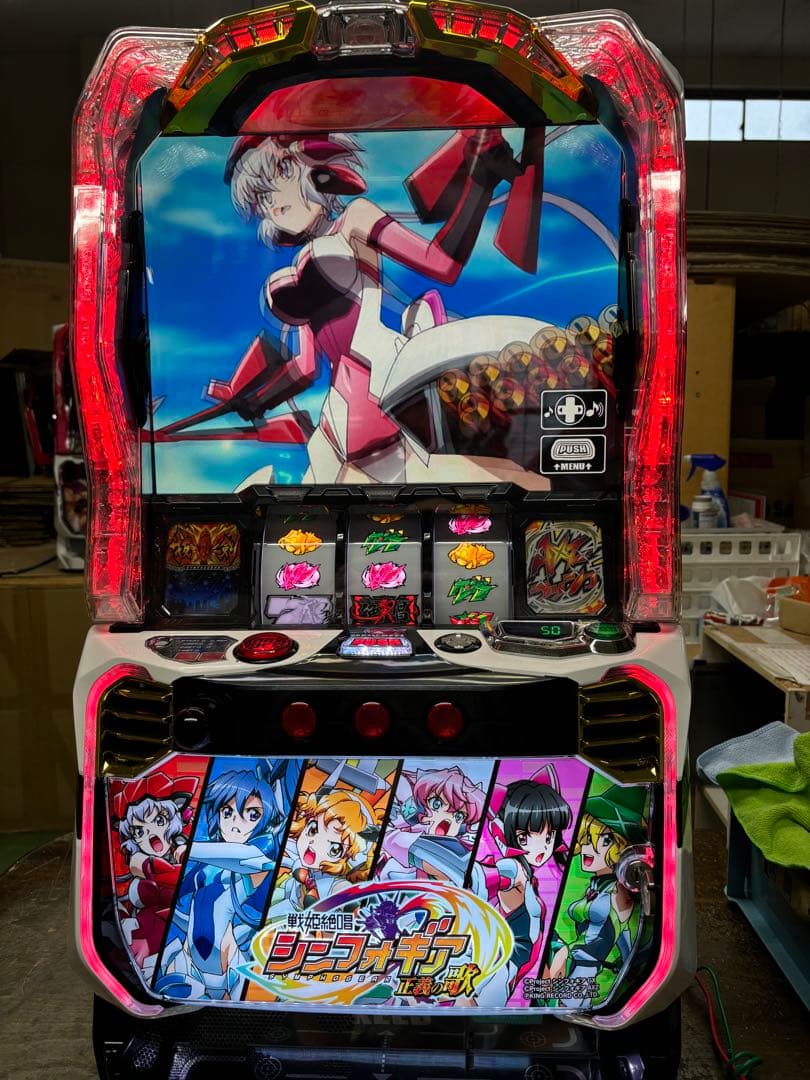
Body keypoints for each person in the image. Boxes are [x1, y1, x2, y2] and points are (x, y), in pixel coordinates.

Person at [214, 129, 549, 485]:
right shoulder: (304, 267)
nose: (275, 205)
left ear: (312, 165)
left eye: (282, 173)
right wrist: (256, 400)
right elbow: (306, 367)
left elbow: (440, 263)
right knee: (321, 496)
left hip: (379, 381)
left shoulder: (354, 221)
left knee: (418, 487)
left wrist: (480, 183)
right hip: (341, 409)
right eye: (262, 198)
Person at [156, 759, 299, 1001]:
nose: (235, 824)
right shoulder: (204, 868)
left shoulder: (258, 858)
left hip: (230, 971)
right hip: (188, 962)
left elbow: (241, 858)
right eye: (227, 812)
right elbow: (187, 908)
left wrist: (191, 849)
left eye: (252, 814)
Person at [553, 784, 648, 1008]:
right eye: (586, 838)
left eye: (604, 840)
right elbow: (623, 937)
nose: (588, 848)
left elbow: (608, 936)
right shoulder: (599, 886)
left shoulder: (618, 891)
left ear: (622, 846)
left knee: (567, 1013)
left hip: (583, 973)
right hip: (581, 971)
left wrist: (564, 951)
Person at [110, 771, 198, 980]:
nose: (151, 835)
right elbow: (138, 869)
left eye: (159, 820)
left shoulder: (181, 847)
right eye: (139, 831)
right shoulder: (140, 861)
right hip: (149, 927)